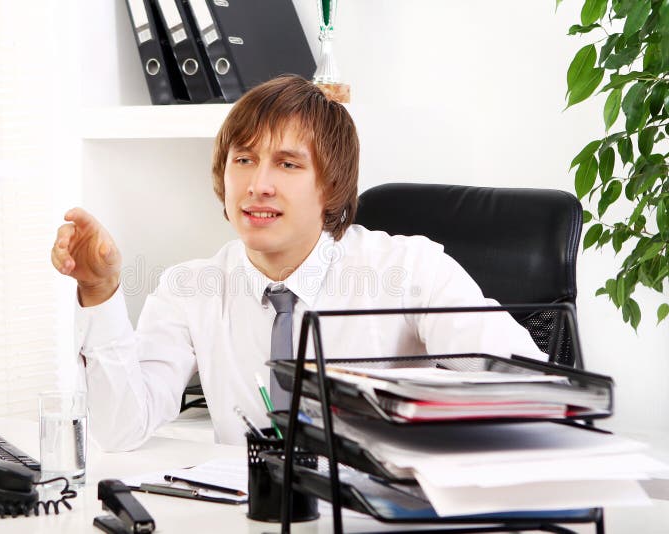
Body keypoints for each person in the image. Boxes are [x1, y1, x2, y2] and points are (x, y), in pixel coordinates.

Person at [51, 75, 544, 451]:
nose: (258, 184)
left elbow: (531, 390)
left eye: (287, 164)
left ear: (330, 186)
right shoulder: (189, 288)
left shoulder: (409, 270)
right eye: (243, 160)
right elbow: (119, 428)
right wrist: (100, 293)